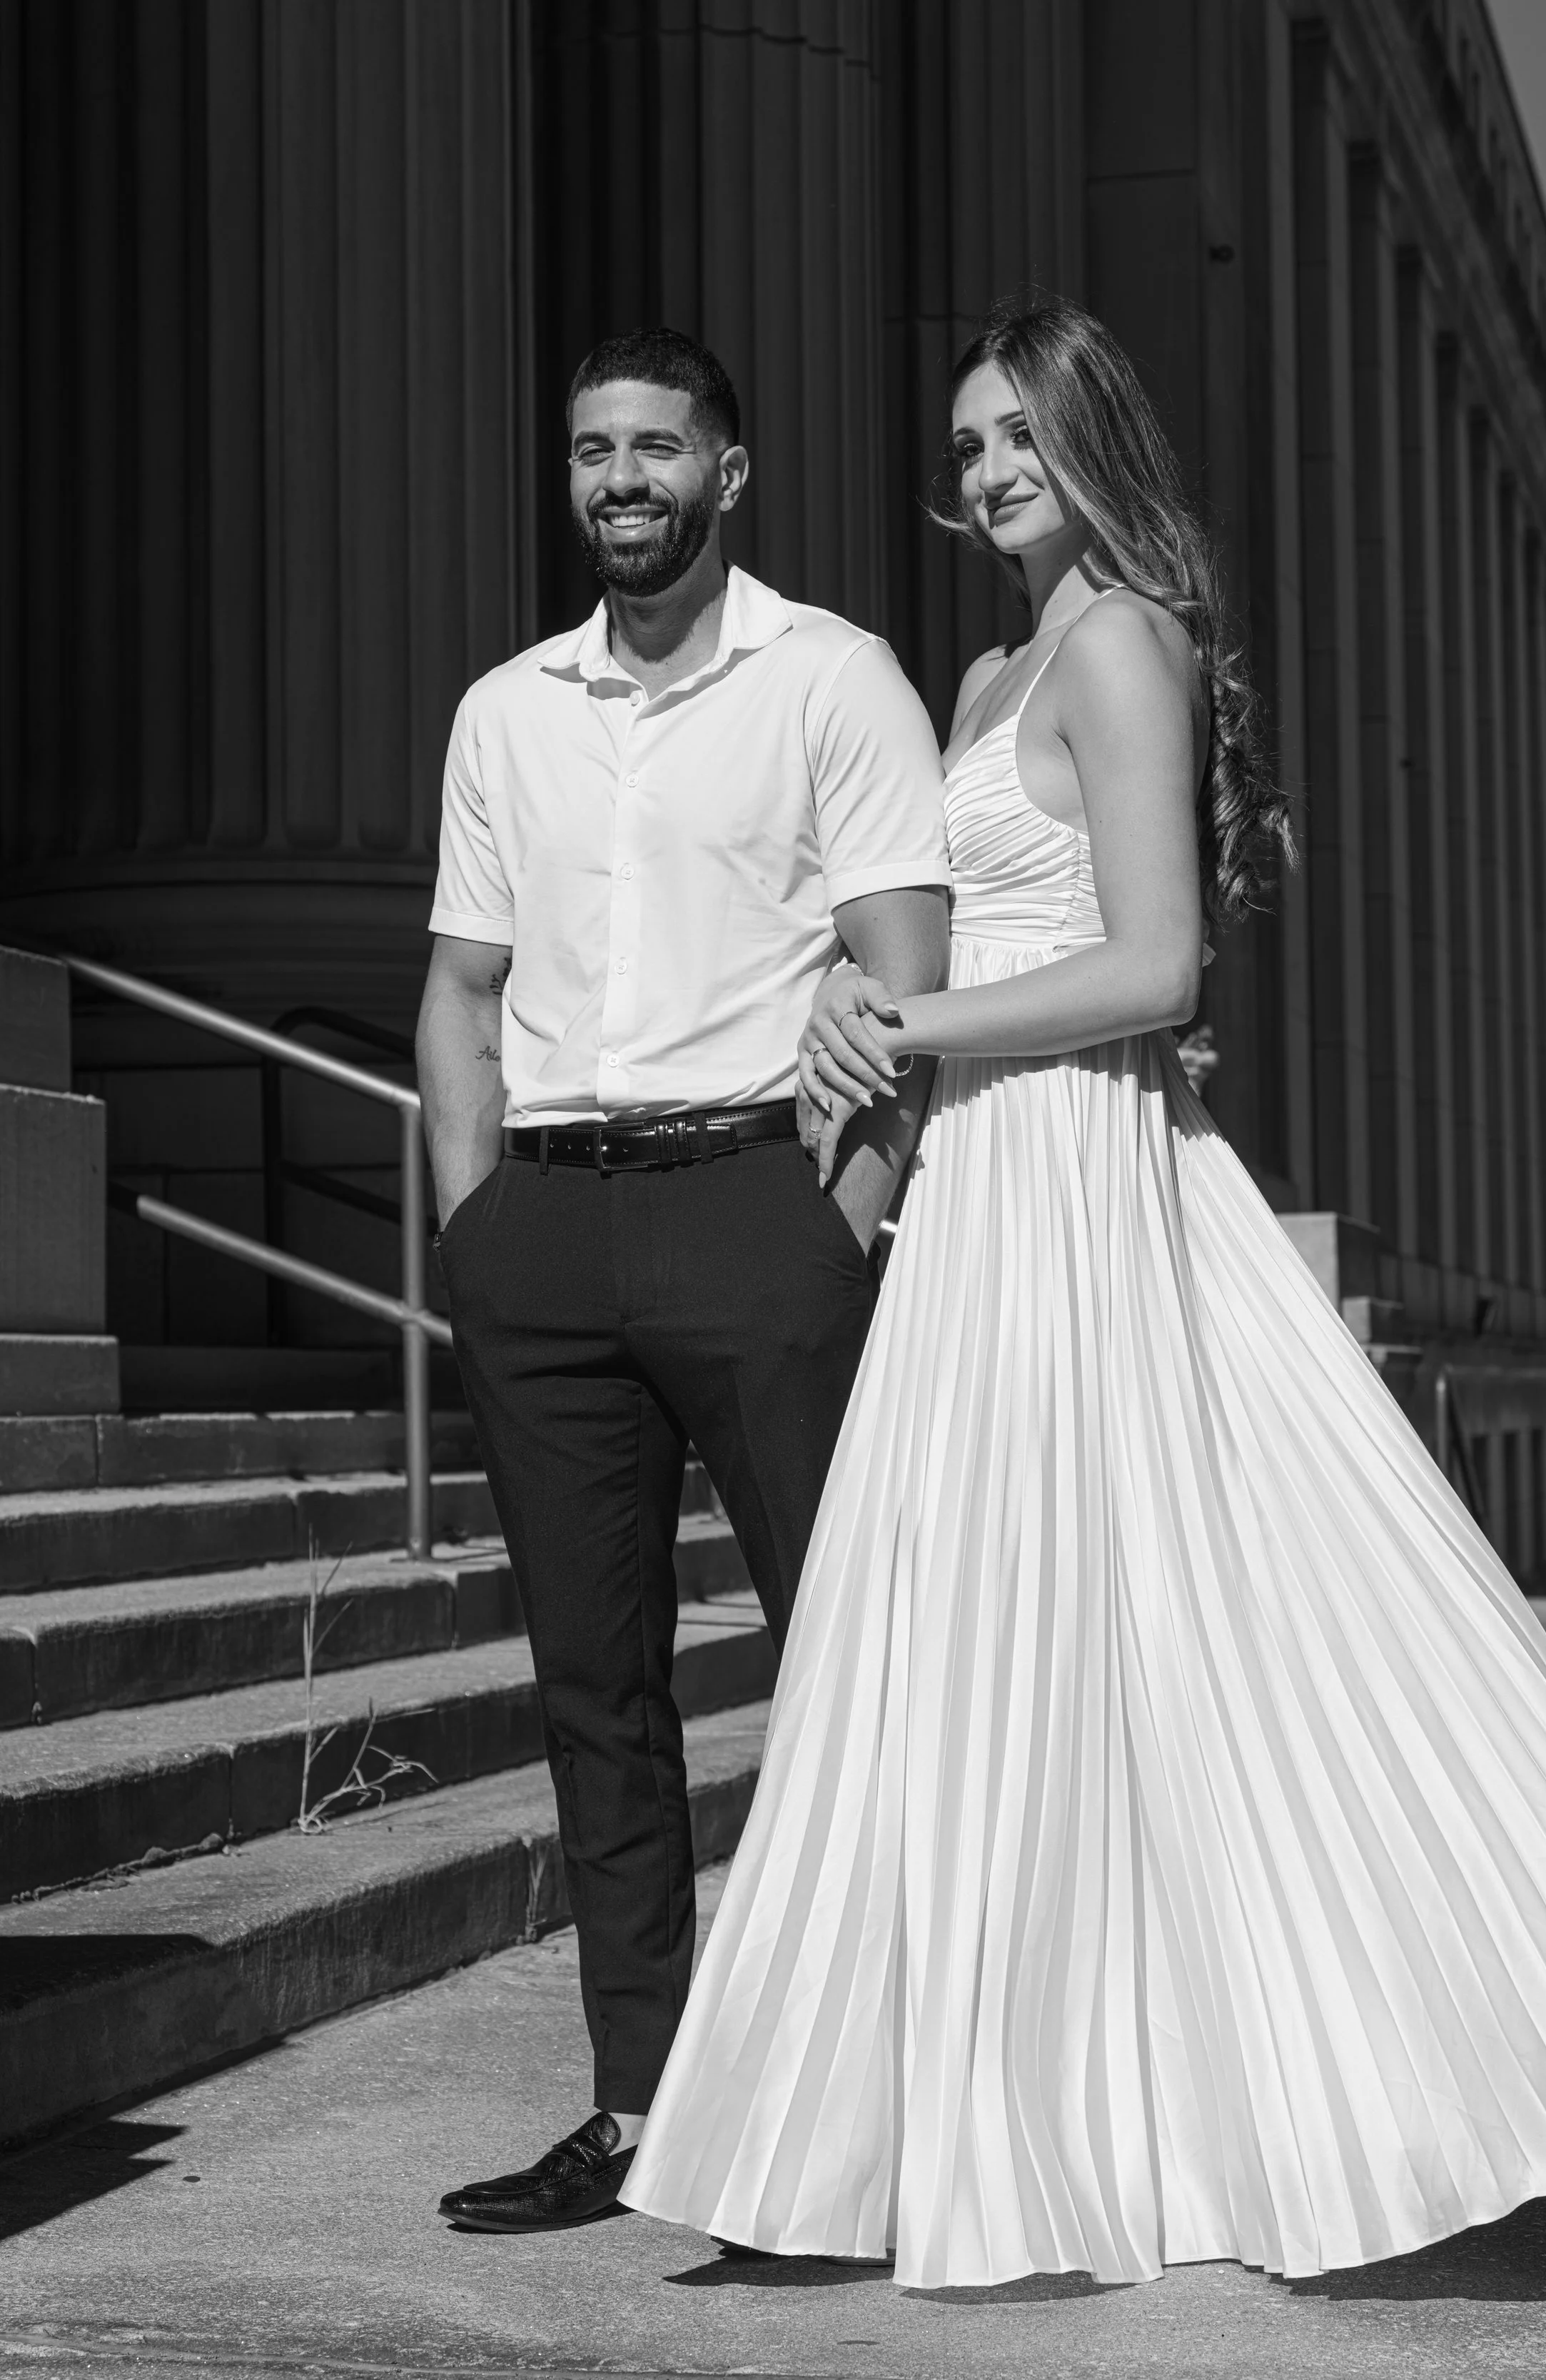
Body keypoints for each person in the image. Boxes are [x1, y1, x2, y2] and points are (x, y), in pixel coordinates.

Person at [621, 296, 1546, 2285]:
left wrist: (914, 1021)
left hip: (1077, 1178)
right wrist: (854, 1003)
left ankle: (1152, 2113)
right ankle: (997, 2127)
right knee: (974, 1639)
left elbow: (1159, 968)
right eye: (967, 441)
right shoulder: (986, 670)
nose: (985, 470)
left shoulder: (1118, 639)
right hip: (985, 1185)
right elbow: (943, 928)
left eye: (1019, 436)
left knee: (1125, 1625)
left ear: (1095, 441)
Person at [418, 327, 951, 2233]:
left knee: (850, 1672)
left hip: (757, 1209)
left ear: (730, 468)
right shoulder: (507, 714)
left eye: (655, 446)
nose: (619, 478)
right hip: (546, 1234)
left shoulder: (833, 682)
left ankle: (871, 2123)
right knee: (597, 1692)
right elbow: (463, 995)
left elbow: (903, 970)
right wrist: (476, 1233)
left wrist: (844, 1223)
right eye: (589, 452)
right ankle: (643, 2104)